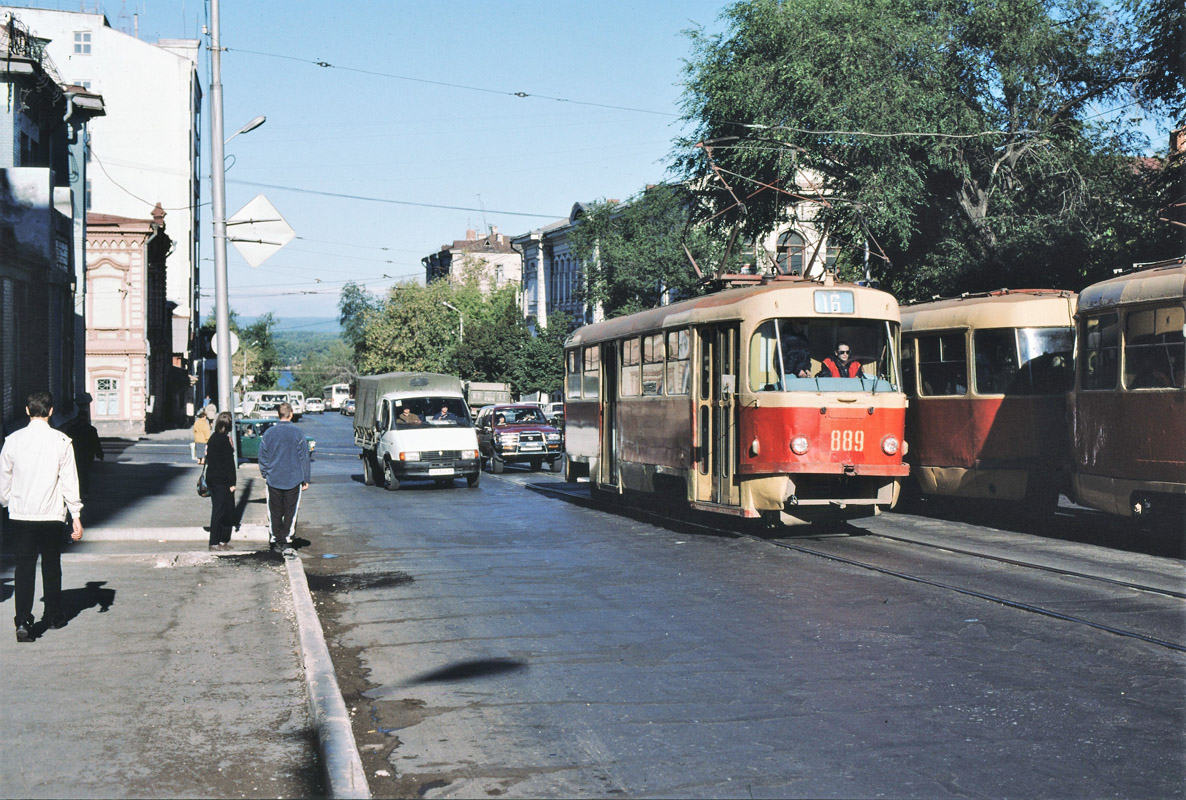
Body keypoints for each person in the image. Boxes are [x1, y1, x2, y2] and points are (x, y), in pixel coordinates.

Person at [0, 391, 84, 642]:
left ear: (27, 410)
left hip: (21, 514)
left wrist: (9, 502)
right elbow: (69, 481)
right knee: (51, 564)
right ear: (51, 411)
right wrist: (76, 514)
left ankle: (23, 621)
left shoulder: (13, 441)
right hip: (51, 514)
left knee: (24, 566)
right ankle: (53, 615)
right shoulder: (61, 441)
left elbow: (4, 478)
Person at [257, 402, 310, 555]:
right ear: (291, 414)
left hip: (274, 478)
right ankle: (287, 540)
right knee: (290, 511)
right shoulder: (298, 433)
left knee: (274, 511)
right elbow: (304, 457)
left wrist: (265, 473)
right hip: (293, 479)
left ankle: (275, 540)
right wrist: (305, 478)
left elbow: (263, 456)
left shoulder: (269, 433)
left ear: (278, 414)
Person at [205, 411, 237, 551]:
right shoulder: (225, 441)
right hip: (222, 481)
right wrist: (232, 483)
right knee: (220, 511)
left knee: (220, 509)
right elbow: (229, 464)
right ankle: (214, 542)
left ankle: (220, 540)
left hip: (212, 478)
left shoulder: (213, 438)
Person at [61, 395, 103, 499]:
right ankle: (82, 492)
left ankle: (82, 491)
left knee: (82, 474)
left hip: (81, 455)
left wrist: (99, 453)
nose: (83, 421)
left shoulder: (73, 429)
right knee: (82, 474)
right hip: (81, 455)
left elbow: (96, 442)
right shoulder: (89, 429)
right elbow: (96, 443)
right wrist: (99, 454)